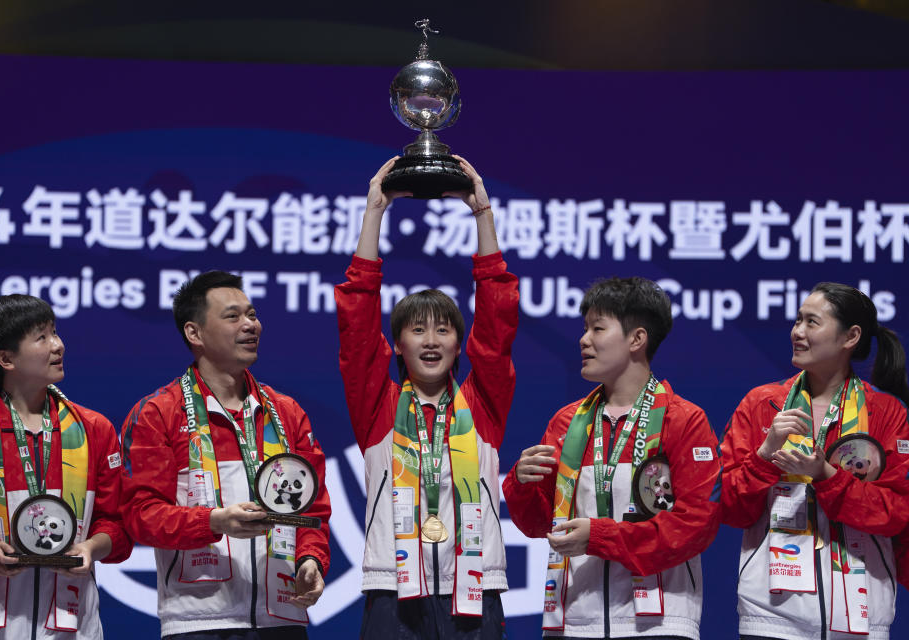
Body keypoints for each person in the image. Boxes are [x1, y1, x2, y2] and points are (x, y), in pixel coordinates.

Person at [335, 156, 519, 639]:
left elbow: (498, 325)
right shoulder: (378, 408)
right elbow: (356, 325)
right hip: (392, 592)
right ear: (398, 343)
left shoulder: (482, 405)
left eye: (443, 330)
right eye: (417, 330)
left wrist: (483, 216)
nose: (432, 340)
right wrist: (374, 213)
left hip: (474, 591)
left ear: (461, 344)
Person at [503, 276, 720, 640]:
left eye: (598, 328)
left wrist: (601, 537)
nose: (583, 340)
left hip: (659, 624)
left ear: (637, 339)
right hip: (574, 622)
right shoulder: (567, 422)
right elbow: (541, 525)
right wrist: (522, 483)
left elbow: (695, 526)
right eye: (585, 328)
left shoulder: (683, 420)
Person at [120, 271, 331, 639]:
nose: (251, 325)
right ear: (194, 333)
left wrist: (310, 559)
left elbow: (312, 510)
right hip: (197, 621)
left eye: (252, 314)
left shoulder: (286, 413)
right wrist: (214, 521)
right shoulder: (159, 413)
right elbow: (140, 516)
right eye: (233, 316)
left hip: (281, 618)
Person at [720, 282, 909, 640]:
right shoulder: (762, 404)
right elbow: (729, 509)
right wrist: (765, 455)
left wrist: (826, 476)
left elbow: (896, 513)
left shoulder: (885, 412)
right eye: (796, 321)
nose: (797, 332)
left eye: (811, 322)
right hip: (770, 616)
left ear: (850, 336)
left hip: (861, 617)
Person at [0, 294, 132, 639]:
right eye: (42, 337)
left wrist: (92, 548)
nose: (59, 345)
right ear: (5, 358)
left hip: (74, 626)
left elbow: (118, 525)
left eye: (55, 332)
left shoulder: (95, 430)